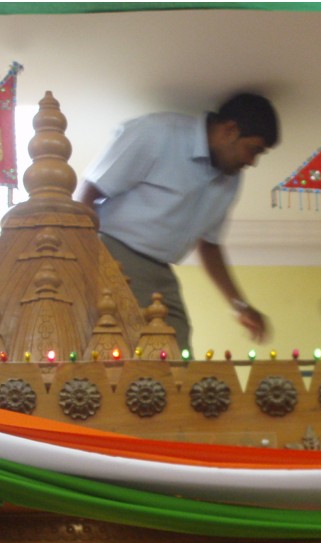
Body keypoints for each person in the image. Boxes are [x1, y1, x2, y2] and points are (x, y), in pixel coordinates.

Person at [76, 92, 279, 353]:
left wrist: (240, 305)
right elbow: (88, 192)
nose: (252, 162)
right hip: (113, 254)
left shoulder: (230, 180)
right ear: (229, 130)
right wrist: (81, 259)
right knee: (128, 351)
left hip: (162, 270)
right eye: (253, 150)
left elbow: (210, 246)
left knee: (177, 351)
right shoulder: (158, 133)